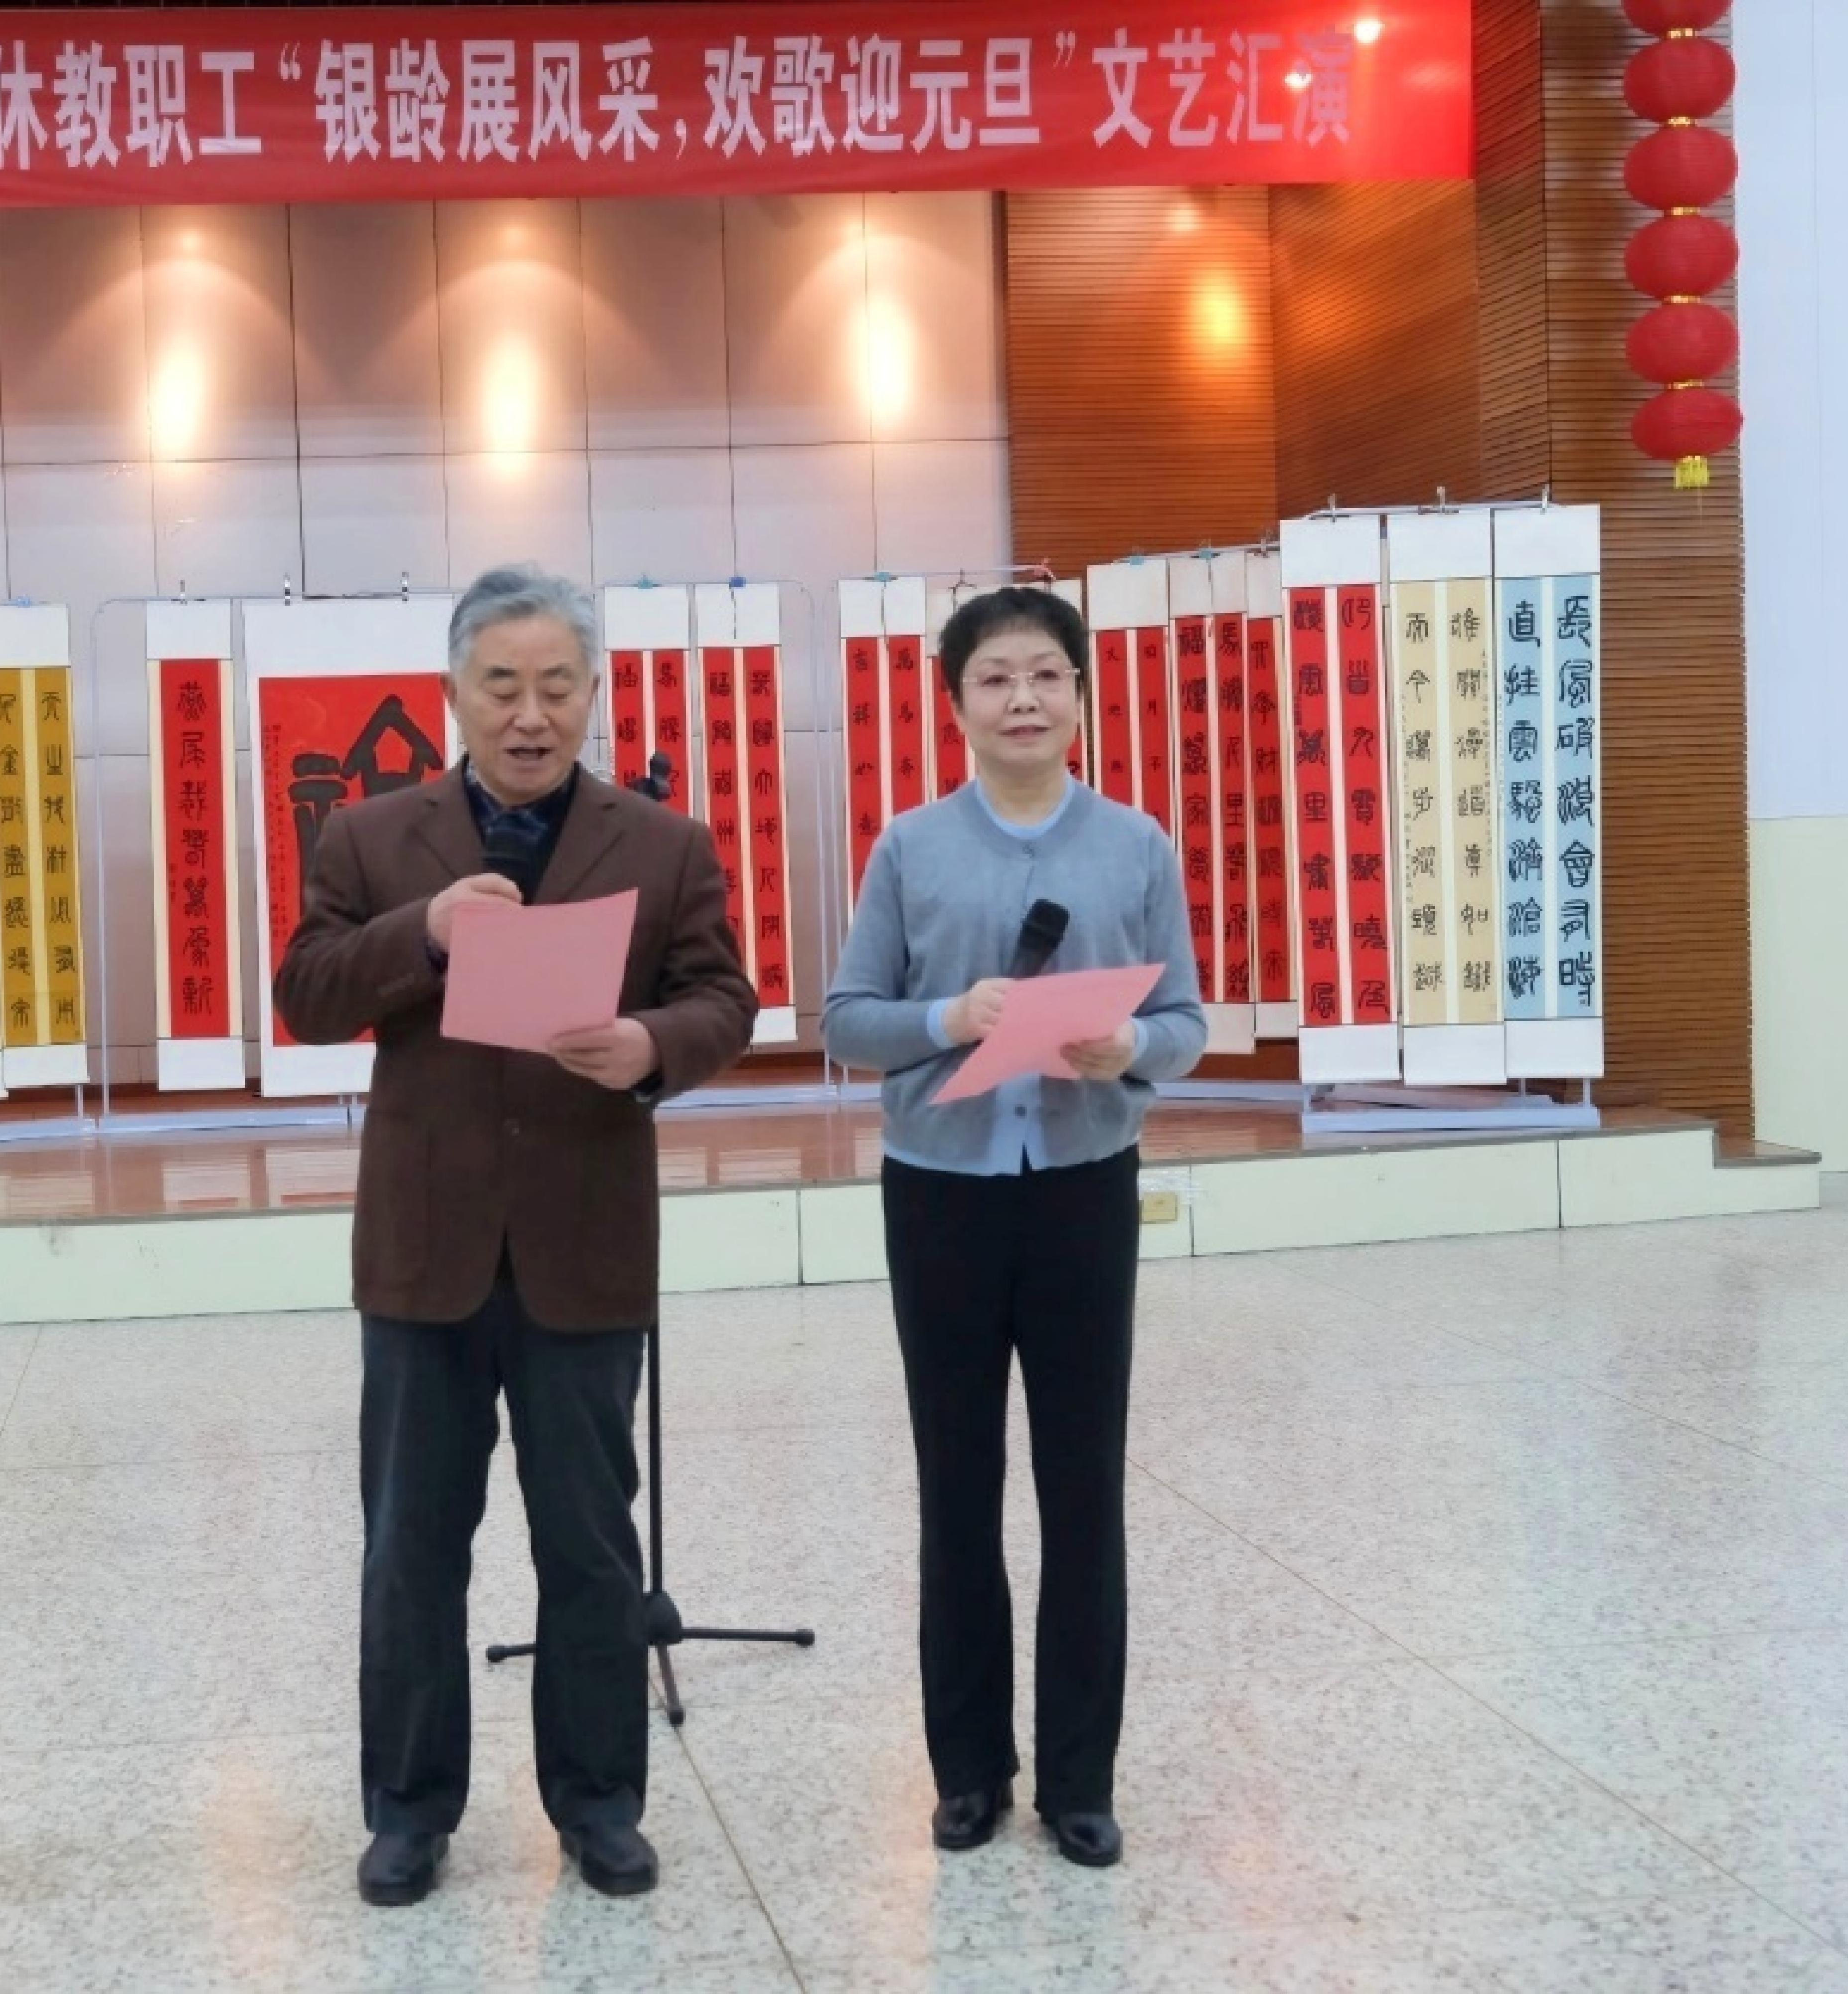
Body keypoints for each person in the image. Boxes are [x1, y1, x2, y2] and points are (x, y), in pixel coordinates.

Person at [273, 565, 758, 1908]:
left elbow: (724, 998)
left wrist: (651, 1045)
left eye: (557, 686)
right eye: (502, 686)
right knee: (411, 1546)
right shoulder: (374, 838)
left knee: (590, 1544)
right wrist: (423, 933)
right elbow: (306, 994)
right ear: (455, 692)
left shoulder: (663, 843)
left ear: (593, 692)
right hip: (425, 1251)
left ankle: (599, 1803)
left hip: (585, 1246)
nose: (530, 715)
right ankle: (408, 1810)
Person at [821, 586, 1205, 1869]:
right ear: (958, 704)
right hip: (942, 1195)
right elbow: (847, 1019)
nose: (1023, 698)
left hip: (1084, 1187)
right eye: (995, 678)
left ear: (1082, 695)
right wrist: (952, 1017)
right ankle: (970, 1770)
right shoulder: (911, 847)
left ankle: (1081, 1778)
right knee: (958, 1485)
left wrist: (1130, 1042)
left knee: (1085, 1485)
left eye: (1046, 674)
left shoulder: (1136, 845)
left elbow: (1189, 1022)